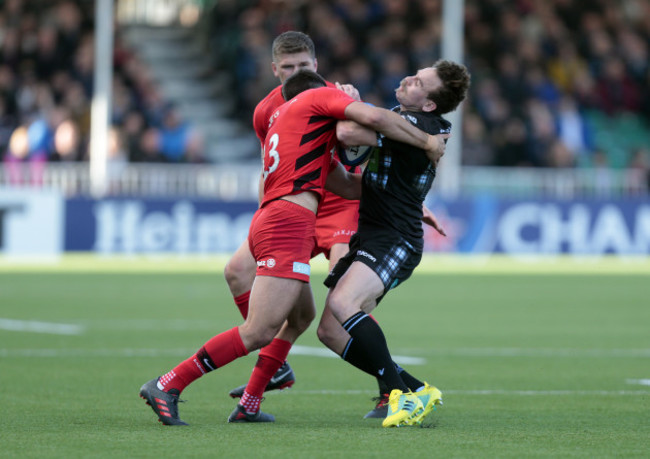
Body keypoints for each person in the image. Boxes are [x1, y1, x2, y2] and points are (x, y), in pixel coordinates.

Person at [139, 69, 449, 426]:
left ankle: (253, 401)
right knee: (259, 330)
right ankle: (168, 383)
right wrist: (426, 142)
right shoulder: (316, 98)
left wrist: (406, 202)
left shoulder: (295, 128)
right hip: (289, 222)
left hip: (276, 217)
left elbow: (348, 186)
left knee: (304, 317)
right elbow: (369, 120)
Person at [224, 31, 438, 420]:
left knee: (343, 302)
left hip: (339, 202)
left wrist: (403, 195)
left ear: (316, 65)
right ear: (275, 70)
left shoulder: (334, 93)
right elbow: (269, 167)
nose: (295, 72)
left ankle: (388, 389)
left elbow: (353, 135)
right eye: (287, 68)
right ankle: (274, 354)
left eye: (303, 66)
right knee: (238, 271)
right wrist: (264, 218)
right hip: (293, 207)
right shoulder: (264, 112)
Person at [322, 60, 471, 427]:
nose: (406, 78)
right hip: (374, 233)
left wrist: (345, 101)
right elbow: (350, 182)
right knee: (329, 330)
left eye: (418, 82)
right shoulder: (403, 121)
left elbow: (349, 132)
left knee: (344, 303)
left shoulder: (426, 126)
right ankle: (416, 388)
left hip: (396, 238)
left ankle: (397, 394)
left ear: (430, 104)